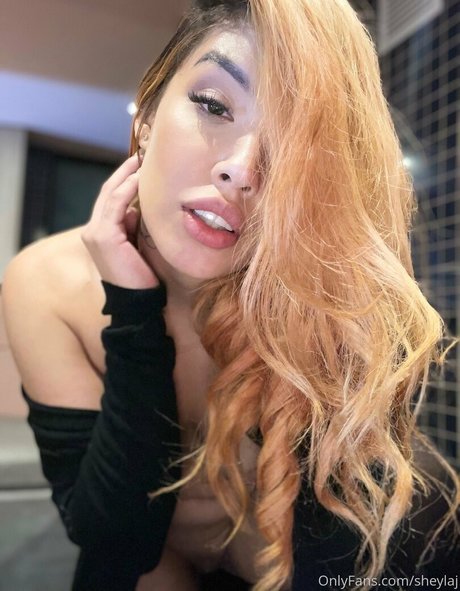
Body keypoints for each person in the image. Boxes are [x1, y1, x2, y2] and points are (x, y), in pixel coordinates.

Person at [2, 0, 459, 590]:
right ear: (147, 114)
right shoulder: (47, 285)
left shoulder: (326, 299)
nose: (242, 171)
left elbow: (342, 542)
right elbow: (114, 537)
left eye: (293, 142)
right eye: (214, 106)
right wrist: (133, 314)